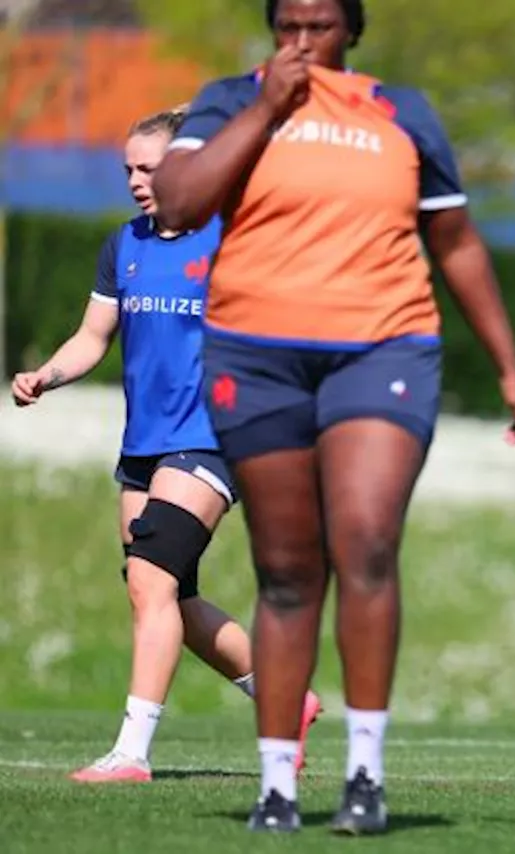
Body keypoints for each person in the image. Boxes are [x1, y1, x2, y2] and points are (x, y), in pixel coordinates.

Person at [151, 0, 515, 834]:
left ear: (351, 30)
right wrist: (266, 108)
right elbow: (177, 204)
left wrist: (507, 363)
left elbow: (458, 241)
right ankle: (278, 786)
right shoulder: (230, 100)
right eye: (288, 24)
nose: (303, 41)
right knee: (288, 568)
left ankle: (365, 775)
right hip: (256, 355)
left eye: (320, 25)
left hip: (383, 349)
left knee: (364, 538)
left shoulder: (402, 113)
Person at [9, 105, 321, 784]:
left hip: (212, 439)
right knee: (165, 596)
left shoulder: (234, 239)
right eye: (128, 169)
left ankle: (131, 754)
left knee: (152, 580)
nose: (135, 181)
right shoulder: (125, 244)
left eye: (148, 167)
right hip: (143, 447)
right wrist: (47, 375)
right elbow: (93, 337)